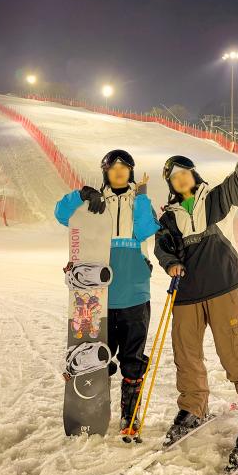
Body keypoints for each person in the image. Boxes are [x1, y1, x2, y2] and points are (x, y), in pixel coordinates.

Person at [154, 119, 238, 467]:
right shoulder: (169, 218)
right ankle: (193, 407)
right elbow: (162, 247)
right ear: (171, 185)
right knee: (186, 355)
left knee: (236, 355)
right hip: (187, 294)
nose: (180, 180)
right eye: (173, 178)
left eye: (184, 173)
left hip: (221, 288)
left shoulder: (219, 199)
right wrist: (171, 263)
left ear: (193, 175)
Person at [54, 150, 160, 435]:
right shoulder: (94, 201)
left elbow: (145, 230)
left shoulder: (139, 202)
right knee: (97, 358)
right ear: (105, 172)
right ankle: (94, 409)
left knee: (132, 359)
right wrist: (81, 195)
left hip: (134, 293)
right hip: (98, 297)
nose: (119, 171)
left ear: (131, 172)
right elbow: (61, 215)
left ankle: (130, 416)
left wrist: (142, 195)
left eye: (125, 167)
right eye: (113, 167)